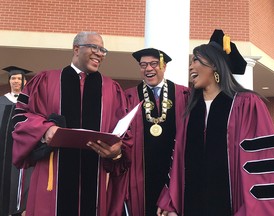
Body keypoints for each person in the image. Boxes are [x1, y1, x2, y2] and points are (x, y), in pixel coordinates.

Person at [157, 29, 274, 216]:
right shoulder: (192, 110)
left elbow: (262, 163)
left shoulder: (247, 105)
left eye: (195, 60)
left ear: (214, 65)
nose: (190, 67)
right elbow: (178, 158)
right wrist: (171, 202)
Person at [11, 31, 131, 216]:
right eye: (94, 47)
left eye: (103, 50)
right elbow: (20, 116)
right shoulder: (46, 81)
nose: (100, 53)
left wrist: (117, 151)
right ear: (76, 49)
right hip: (53, 177)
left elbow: (125, 132)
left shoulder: (111, 89)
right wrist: (45, 130)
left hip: (95, 179)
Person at [124, 48, 189, 216]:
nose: (148, 69)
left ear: (164, 66)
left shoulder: (183, 94)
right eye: (143, 65)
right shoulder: (129, 96)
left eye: (154, 64)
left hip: (174, 170)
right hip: (140, 172)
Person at [0, 66, 33, 216]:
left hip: (22, 150)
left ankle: (19, 209)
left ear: (24, 81)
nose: (16, 81)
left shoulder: (30, 102)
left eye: (19, 78)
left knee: (22, 179)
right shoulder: (2, 101)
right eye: (13, 78)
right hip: (3, 150)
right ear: (9, 81)